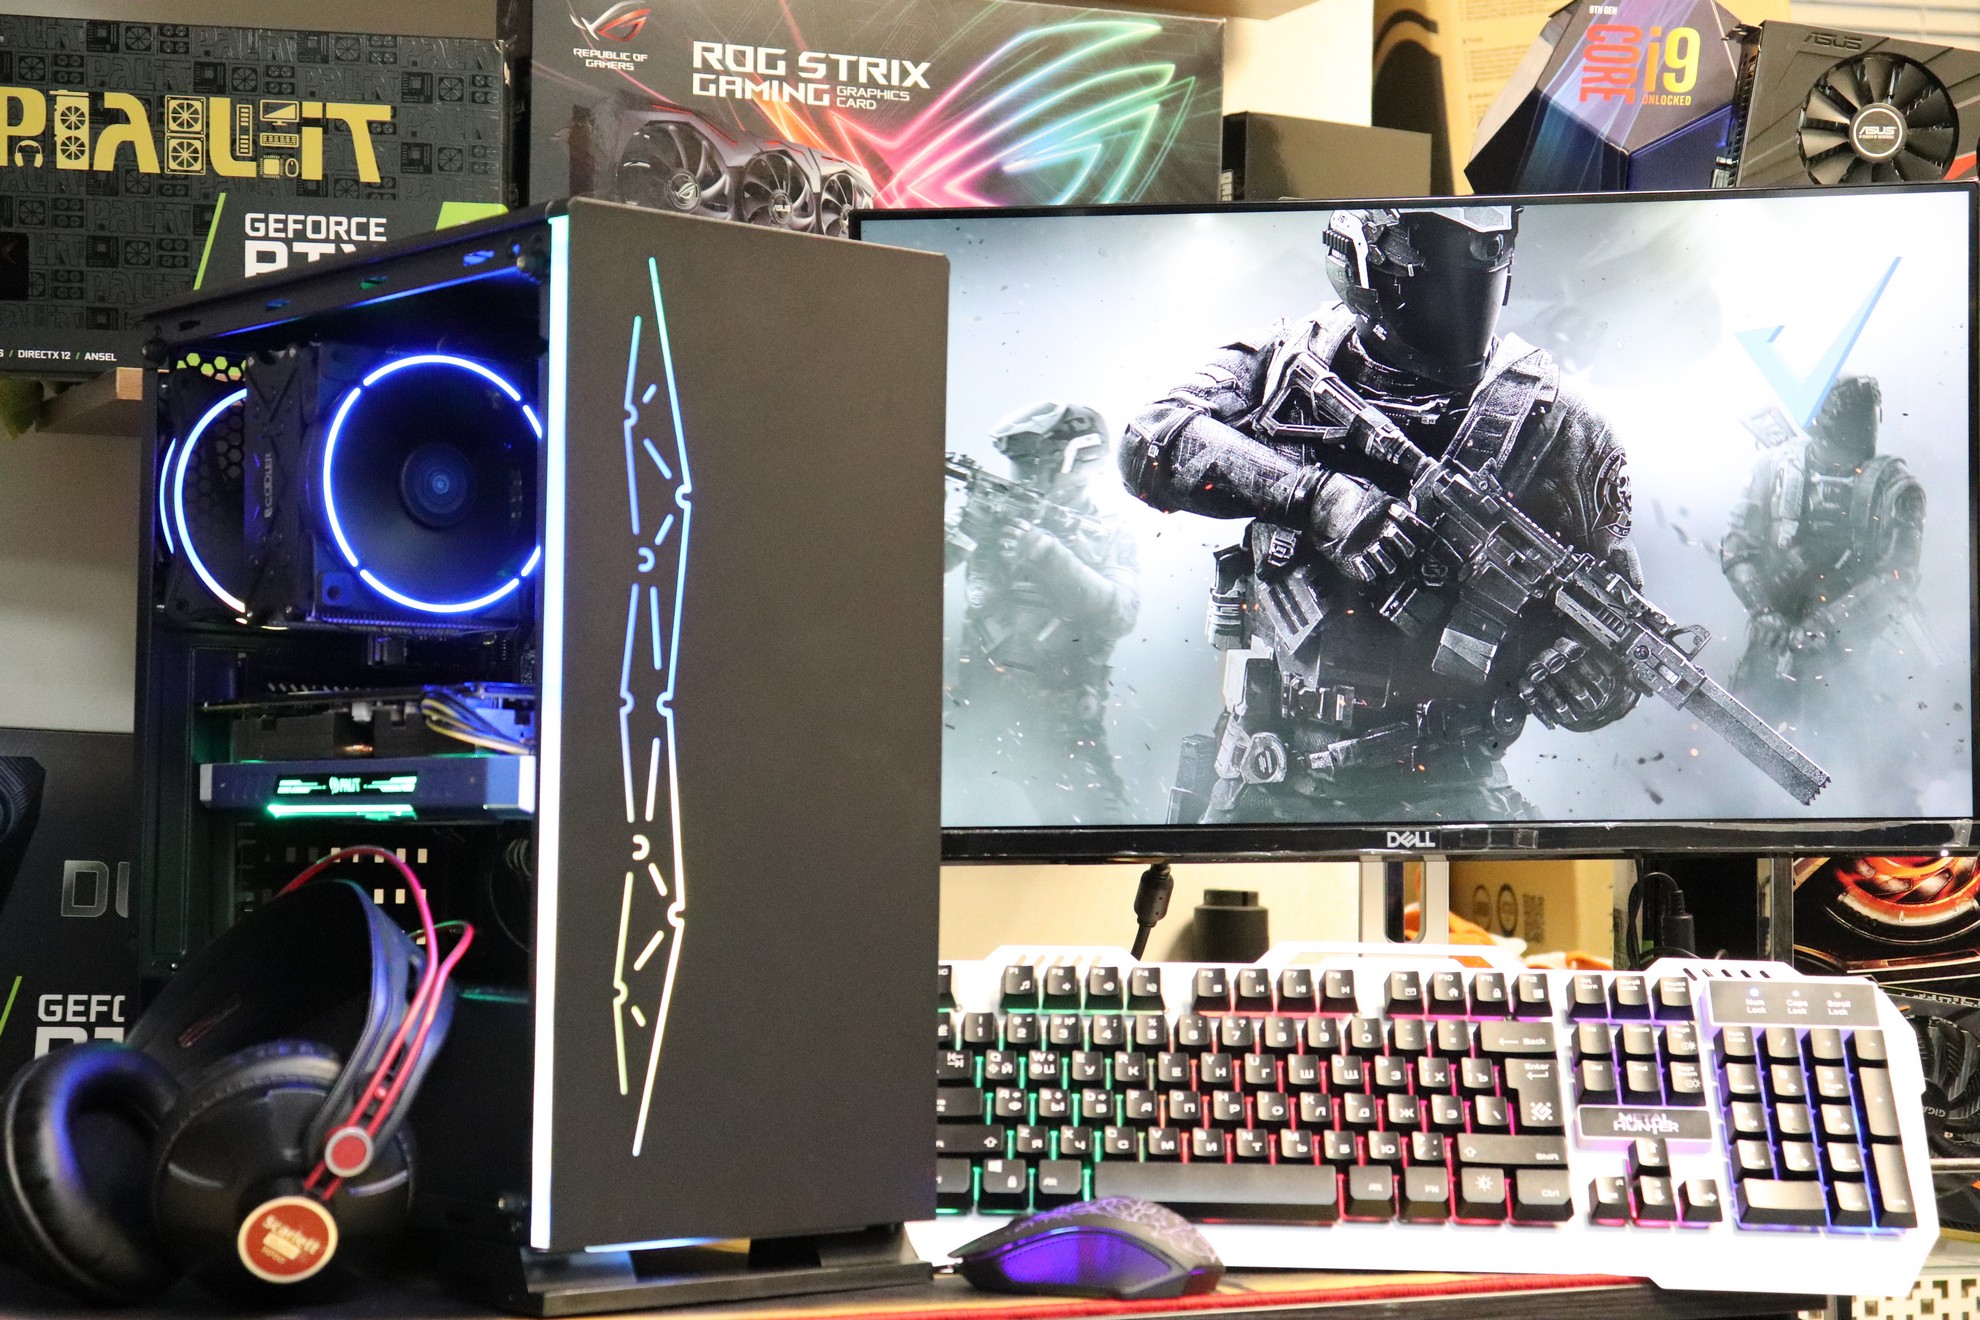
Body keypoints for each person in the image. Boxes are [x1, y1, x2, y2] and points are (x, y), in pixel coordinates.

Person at [1119, 205, 1640, 824]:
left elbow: (1622, 636)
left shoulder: (1561, 423)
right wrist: (1316, 498)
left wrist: (1592, 683)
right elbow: (1150, 442)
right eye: (1435, 251)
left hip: (1449, 787)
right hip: (1267, 772)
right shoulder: (1283, 361)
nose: (1462, 282)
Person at [945, 401, 1139, 824]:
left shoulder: (1109, 530)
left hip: (1063, 730)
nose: (1022, 478)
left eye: (1034, 465)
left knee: (1107, 837)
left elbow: (1120, 613)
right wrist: (967, 525)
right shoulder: (992, 512)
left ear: (1075, 461)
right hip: (976, 713)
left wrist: (1045, 553)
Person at [1722, 375, 1926, 729]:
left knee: (1835, 743)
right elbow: (1737, 549)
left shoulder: (1896, 488)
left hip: (1845, 656)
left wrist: (1828, 624)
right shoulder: (1773, 465)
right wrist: (1764, 611)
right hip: (1773, 638)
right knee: (1743, 732)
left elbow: (1898, 577)